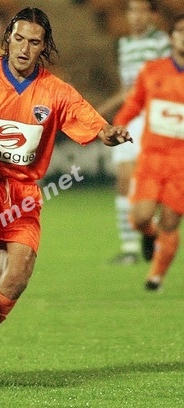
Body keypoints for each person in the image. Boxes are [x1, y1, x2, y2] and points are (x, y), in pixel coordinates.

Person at [0, 7, 131, 383]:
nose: (24, 48)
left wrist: (107, 131)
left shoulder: (55, 91)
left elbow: (88, 118)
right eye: (18, 39)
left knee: (15, 279)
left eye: (34, 42)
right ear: (7, 39)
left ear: (44, 46)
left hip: (22, 195)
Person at [114, 14, 184, 291]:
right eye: (180, 31)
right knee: (140, 217)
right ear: (171, 38)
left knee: (170, 221)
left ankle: (156, 277)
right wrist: (119, 123)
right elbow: (134, 103)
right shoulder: (153, 70)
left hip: (181, 162)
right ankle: (149, 233)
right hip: (152, 157)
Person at [97, 0, 170, 265]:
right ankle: (130, 248)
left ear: (152, 15)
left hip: (152, 116)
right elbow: (126, 88)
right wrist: (103, 110)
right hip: (130, 117)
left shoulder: (161, 42)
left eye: (141, 10)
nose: (135, 16)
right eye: (131, 10)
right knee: (123, 180)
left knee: (148, 181)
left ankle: (154, 235)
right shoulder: (125, 45)